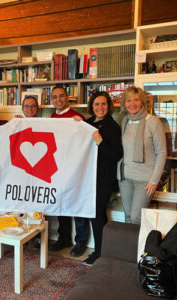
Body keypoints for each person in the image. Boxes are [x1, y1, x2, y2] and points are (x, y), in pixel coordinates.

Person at [49, 86, 89, 258]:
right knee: (61, 205)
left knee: (77, 204)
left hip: (74, 168)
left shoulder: (77, 117)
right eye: (55, 97)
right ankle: (64, 238)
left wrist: (81, 125)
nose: (58, 100)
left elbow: (86, 140)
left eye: (61, 96)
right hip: (58, 169)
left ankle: (81, 242)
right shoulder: (51, 117)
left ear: (67, 98)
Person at [83, 91, 123, 266]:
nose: (100, 107)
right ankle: (103, 250)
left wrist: (100, 141)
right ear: (92, 106)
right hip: (88, 177)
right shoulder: (88, 123)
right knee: (95, 214)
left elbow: (115, 155)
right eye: (97, 104)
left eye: (103, 104)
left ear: (109, 106)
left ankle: (99, 252)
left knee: (97, 214)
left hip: (104, 178)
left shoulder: (113, 127)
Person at [118, 86, 167, 224]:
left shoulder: (153, 122)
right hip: (125, 177)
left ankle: (140, 246)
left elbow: (161, 152)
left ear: (142, 102)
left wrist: (154, 180)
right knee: (127, 215)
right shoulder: (125, 121)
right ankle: (130, 246)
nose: (132, 104)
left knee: (136, 217)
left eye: (136, 100)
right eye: (128, 100)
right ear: (124, 103)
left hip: (145, 180)